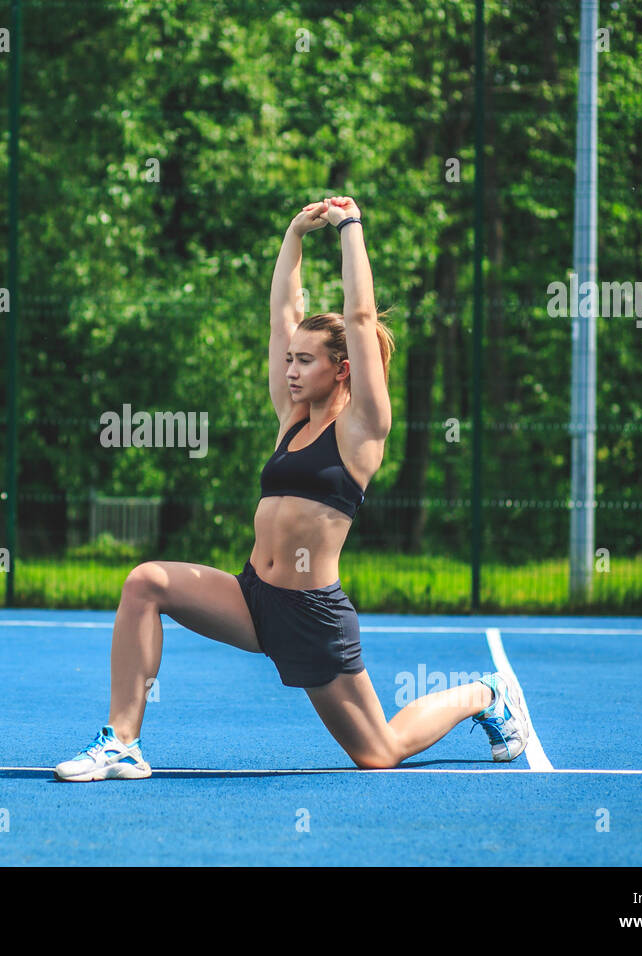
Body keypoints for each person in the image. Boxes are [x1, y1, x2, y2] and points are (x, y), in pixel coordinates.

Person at [55, 197, 530, 781]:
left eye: (306, 361)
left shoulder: (363, 428)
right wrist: (293, 236)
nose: (291, 370)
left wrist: (350, 227)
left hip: (311, 615)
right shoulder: (292, 417)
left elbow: (359, 318)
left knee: (377, 753)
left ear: (343, 367)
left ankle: (485, 694)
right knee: (145, 582)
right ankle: (122, 742)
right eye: (290, 361)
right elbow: (284, 311)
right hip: (254, 597)